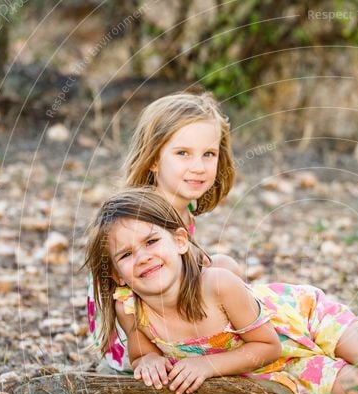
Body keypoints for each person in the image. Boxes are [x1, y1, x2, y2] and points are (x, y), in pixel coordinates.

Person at [85, 189, 358, 394]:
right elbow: (141, 352)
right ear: (115, 274)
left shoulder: (218, 285)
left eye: (152, 241)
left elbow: (268, 344)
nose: (143, 257)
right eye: (126, 255)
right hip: (270, 366)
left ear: (180, 241)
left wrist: (205, 366)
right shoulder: (129, 306)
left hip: (297, 319)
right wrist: (150, 359)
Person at [87, 92, 243, 372]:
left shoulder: (184, 207)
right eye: (183, 153)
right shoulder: (142, 214)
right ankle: (225, 350)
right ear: (154, 159)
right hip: (135, 339)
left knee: (223, 269)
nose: (198, 167)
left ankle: (234, 345)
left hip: (163, 314)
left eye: (208, 154)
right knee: (222, 269)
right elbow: (126, 287)